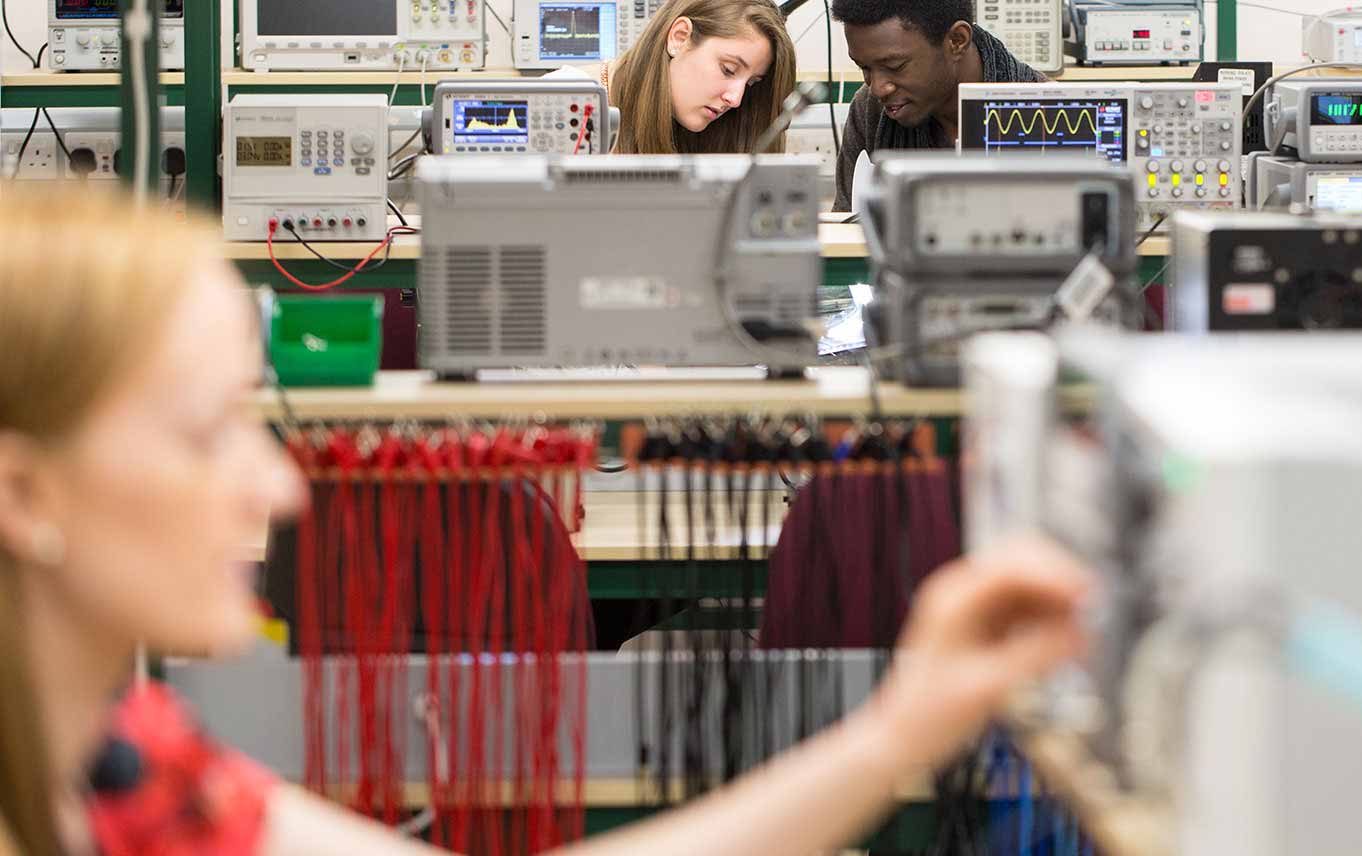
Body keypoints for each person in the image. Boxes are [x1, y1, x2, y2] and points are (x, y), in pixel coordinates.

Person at [0, 186, 1091, 855]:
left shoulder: (131, 769)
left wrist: (898, 733)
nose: (282, 490)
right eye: (205, 433)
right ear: (24, 494)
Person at [828, 0, 1046, 211]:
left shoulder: (1045, 113)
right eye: (865, 68)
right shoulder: (870, 111)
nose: (878, 87)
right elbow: (846, 238)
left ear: (956, 40)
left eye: (895, 67)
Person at [596, 0, 799, 153]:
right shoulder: (575, 107)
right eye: (728, 70)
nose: (735, 100)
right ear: (680, 37)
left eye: (750, 83)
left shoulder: (718, 129)